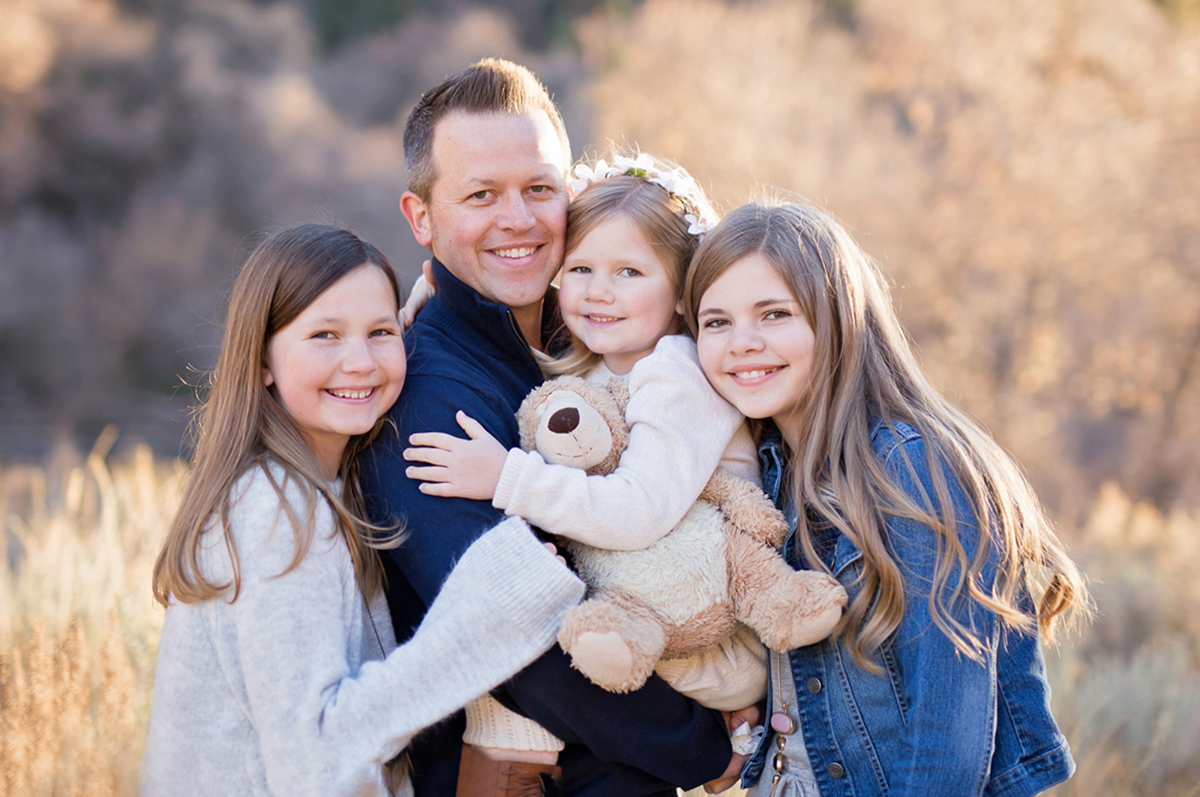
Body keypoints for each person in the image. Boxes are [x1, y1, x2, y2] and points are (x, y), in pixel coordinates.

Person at [359, 60, 741, 797]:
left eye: (540, 188)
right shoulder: (426, 399)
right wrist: (706, 747)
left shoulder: (595, 333)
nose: (519, 219)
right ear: (421, 218)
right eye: (481, 195)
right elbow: (519, 636)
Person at [403, 153, 826, 787]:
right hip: (654, 613)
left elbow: (639, 510)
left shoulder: (676, 371)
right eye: (580, 269)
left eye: (629, 271)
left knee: (545, 651)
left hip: (712, 620)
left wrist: (505, 478)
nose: (598, 291)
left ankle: (727, 721)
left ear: (682, 291)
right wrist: (436, 288)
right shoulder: (599, 360)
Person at [141, 223, 585, 797]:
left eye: (379, 332)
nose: (359, 362)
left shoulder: (321, 485)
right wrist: (487, 609)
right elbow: (318, 758)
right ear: (264, 360)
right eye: (325, 335)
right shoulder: (276, 508)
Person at [684, 201, 1090, 796]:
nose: (742, 342)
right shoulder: (762, 470)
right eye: (715, 322)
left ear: (838, 318)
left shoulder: (909, 466)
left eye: (774, 314)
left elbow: (948, 727)